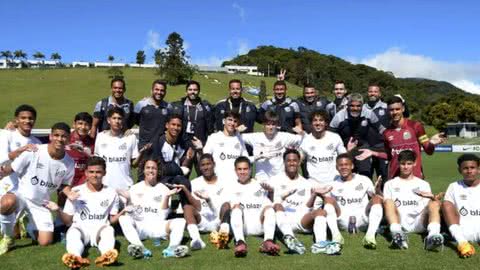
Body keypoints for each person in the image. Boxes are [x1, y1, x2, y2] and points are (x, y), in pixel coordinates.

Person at [0, 122, 76, 254]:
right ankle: (8, 237)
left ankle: (27, 224)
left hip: (41, 202)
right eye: (56, 135)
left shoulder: (69, 162)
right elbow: (11, 168)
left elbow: (65, 185)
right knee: (7, 203)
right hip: (21, 195)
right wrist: (2, 172)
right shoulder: (35, 150)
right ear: (50, 136)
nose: (59, 139)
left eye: (64, 136)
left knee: (45, 242)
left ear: (68, 139)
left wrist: (70, 193)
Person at [44, 156, 121, 268]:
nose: (94, 175)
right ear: (86, 173)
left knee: (109, 231)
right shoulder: (75, 191)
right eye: (91, 172)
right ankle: (75, 258)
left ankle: (107, 255)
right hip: (81, 229)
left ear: (104, 173)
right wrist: (58, 209)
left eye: (98, 172)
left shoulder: (111, 192)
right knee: (72, 233)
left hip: (100, 229)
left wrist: (123, 212)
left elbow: (112, 220)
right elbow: (67, 221)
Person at [268, 149, 341, 255]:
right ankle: (290, 239)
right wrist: (271, 194)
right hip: (282, 220)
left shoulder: (306, 183)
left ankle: (320, 244)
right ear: (284, 162)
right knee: (278, 205)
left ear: (299, 162)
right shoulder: (274, 180)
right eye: (289, 160)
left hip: (301, 219)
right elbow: (270, 204)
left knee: (320, 212)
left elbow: (306, 207)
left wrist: (314, 194)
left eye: (294, 160)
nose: (292, 163)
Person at [356, 96, 446, 180]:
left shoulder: (416, 126)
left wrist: (431, 143)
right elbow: (389, 155)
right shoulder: (386, 133)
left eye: (397, 109)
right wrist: (373, 153)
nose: (394, 112)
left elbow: (429, 151)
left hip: (415, 177)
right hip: (395, 178)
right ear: (388, 111)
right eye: (391, 110)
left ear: (403, 109)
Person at [118, 159, 189, 259]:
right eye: (148, 168)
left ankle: (171, 249)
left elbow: (163, 215)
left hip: (158, 225)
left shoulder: (164, 189)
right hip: (140, 226)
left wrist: (167, 197)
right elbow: (130, 212)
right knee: (123, 219)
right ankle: (140, 248)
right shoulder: (134, 188)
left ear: (158, 171)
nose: (151, 170)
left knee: (180, 221)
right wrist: (128, 198)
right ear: (143, 170)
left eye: (153, 168)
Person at [318, 154, 384, 250]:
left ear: (352, 166)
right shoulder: (332, 184)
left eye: (346, 164)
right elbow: (327, 205)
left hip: (363, 218)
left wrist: (378, 191)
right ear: (337, 167)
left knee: (377, 198)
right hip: (342, 220)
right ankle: (336, 236)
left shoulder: (364, 180)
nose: (344, 167)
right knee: (328, 200)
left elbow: (379, 199)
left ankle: (370, 236)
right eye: (341, 165)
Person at [383, 150, 444, 250]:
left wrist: (433, 198)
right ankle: (397, 233)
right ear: (398, 164)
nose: (406, 167)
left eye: (409, 163)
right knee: (388, 201)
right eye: (403, 164)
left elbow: (431, 207)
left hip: (420, 222)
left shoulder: (423, 184)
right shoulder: (390, 184)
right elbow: (386, 205)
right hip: (400, 221)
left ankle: (433, 236)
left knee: (434, 203)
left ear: (415, 163)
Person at [0, 105, 41, 248]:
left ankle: (17, 224)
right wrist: (20, 151)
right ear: (16, 120)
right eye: (23, 118)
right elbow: (1, 160)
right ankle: (12, 229)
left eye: (30, 118)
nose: (27, 121)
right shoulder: (6, 134)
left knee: (43, 239)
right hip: (5, 182)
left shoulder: (37, 143)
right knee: (6, 206)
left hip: (23, 188)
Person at [228, 156, 280, 257]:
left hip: (259, 226)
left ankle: (268, 241)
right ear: (235, 170)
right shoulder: (230, 186)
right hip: (242, 227)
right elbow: (228, 209)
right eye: (239, 169)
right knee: (236, 210)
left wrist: (270, 192)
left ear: (250, 169)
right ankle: (240, 242)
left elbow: (269, 205)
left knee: (269, 209)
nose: (242, 172)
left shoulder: (259, 184)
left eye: (245, 169)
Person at [181, 154, 232, 250]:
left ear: (214, 164)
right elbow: (197, 206)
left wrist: (209, 200)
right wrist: (185, 189)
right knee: (187, 208)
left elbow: (227, 207)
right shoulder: (194, 183)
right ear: (199, 167)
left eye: (208, 164)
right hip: (203, 220)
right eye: (203, 165)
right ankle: (196, 239)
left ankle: (222, 237)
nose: (206, 167)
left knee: (226, 205)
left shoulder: (224, 182)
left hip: (219, 220)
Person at [329, 93, 386, 178]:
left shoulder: (369, 114)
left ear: (363, 106)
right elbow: (330, 135)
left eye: (358, 106)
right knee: (347, 174)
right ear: (347, 105)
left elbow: (381, 129)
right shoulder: (339, 116)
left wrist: (393, 136)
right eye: (352, 106)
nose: (355, 108)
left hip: (362, 146)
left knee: (365, 172)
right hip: (343, 148)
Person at [149, 114, 197, 206]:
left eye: (178, 125)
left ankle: (186, 208)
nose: (176, 128)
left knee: (185, 183)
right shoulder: (158, 142)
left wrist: (188, 157)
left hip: (175, 177)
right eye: (173, 124)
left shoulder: (182, 143)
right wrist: (179, 170)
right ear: (167, 125)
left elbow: (186, 162)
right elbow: (158, 166)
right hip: (160, 177)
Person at [94, 107, 147, 192]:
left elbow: (134, 164)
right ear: (108, 120)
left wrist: (141, 153)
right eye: (114, 118)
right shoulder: (100, 137)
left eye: (119, 118)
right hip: (105, 187)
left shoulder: (131, 138)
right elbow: (96, 161)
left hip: (125, 187)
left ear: (123, 120)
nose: (117, 121)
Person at [242, 111, 303, 183]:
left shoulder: (284, 137)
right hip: (261, 180)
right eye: (268, 124)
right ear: (263, 125)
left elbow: (303, 139)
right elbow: (234, 137)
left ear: (277, 125)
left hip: (280, 179)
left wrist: (302, 133)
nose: (271, 127)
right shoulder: (255, 137)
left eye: (273, 124)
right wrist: (236, 131)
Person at [442, 154, 480, 258]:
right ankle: (462, 242)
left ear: (478, 169)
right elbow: (447, 209)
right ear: (460, 170)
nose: (469, 171)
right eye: (465, 168)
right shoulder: (454, 186)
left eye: (472, 168)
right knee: (446, 204)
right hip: (463, 231)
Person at [300, 110, 347, 184]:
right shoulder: (306, 140)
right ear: (311, 124)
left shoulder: (335, 138)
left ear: (326, 123)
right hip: (314, 183)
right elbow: (299, 158)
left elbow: (345, 157)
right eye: (315, 120)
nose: (318, 123)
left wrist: (350, 150)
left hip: (335, 182)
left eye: (321, 120)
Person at [202, 112, 248, 185]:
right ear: (224, 121)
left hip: (236, 182)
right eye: (230, 120)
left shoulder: (239, 138)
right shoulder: (214, 137)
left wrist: (258, 157)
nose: (232, 123)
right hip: (218, 182)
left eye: (235, 121)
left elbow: (246, 159)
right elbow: (205, 159)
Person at [133, 80, 173, 152]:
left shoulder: (168, 107)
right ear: (151, 90)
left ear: (165, 92)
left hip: (162, 145)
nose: (159, 92)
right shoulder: (141, 104)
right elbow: (135, 120)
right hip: (144, 145)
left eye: (162, 90)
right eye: (156, 89)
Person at [172, 80, 214, 148]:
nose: (192, 92)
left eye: (195, 90)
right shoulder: (179, 106)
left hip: (200, 144)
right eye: (190, 89)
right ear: (186, 91)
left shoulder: (205, 107)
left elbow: (210, 129)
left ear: (199, 91)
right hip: (182, 144)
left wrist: (205, 143)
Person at [362, 83, 389, 181]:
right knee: (365, 178)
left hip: (382, 147)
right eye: (370, 91)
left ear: (380, 94)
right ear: (367, 93)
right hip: (365, 146)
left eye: (375, 91)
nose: (372, 93)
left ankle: (384, 196)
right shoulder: (361, 108)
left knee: (383, 178)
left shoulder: (387, 107)